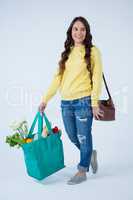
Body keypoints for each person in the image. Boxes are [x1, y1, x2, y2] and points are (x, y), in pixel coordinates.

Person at [39, 16, 104, 185]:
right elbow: (57, 78)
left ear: (87, 32)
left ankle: (82, 170)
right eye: (76, 29)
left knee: (83, 137)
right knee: (72, 136)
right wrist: (45, 99)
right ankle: (90, 154)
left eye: (82, 29)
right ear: (71, 31)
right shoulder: (67, 52)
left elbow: (97, 77)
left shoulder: (93, 51)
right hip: (66, 102)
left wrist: (94, 102)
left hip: (84, 100)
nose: (79, 32)